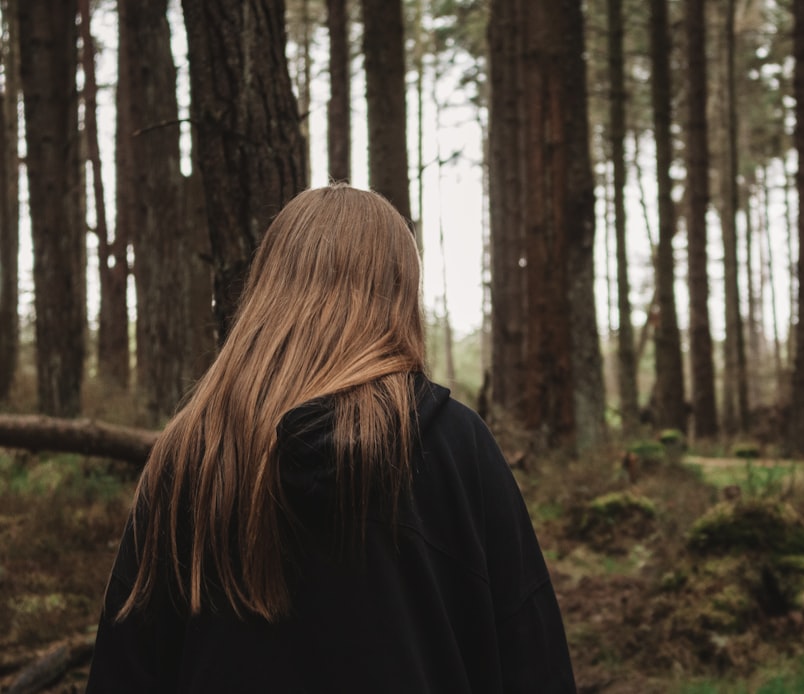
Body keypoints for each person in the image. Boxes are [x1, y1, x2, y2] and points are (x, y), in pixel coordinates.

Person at [86, 184, 576, 693]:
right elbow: (534, 664)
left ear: (267, 289)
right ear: (398, 295)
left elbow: (125, 670)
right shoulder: (456, 447)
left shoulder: (191, 455)